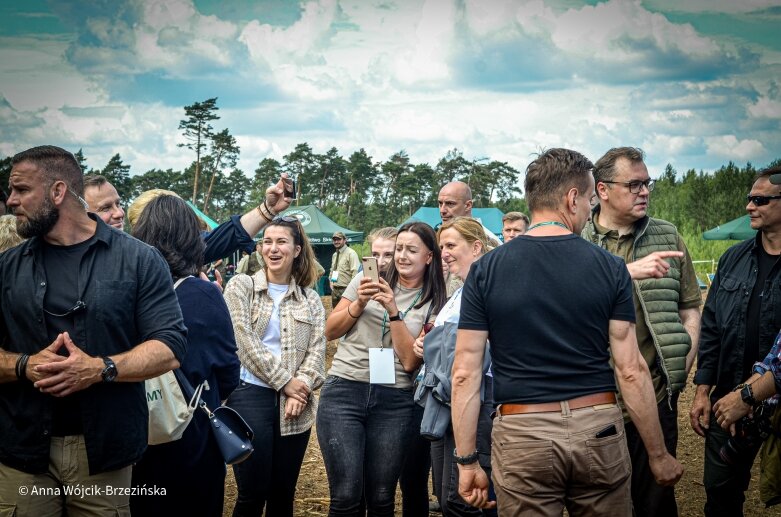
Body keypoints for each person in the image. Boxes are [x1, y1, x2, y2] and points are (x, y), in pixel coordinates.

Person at [451, 148, 682, 514]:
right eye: (591, 199)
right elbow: (631, 369)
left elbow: (465, 373)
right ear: (572, 198)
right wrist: (658, 454)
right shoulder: (610, 268)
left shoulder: (486, 270)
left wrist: (466, 461)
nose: (590, 209)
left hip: (523, 432)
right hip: (598, 428)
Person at [0, 145, 187, 515]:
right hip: (21, 452)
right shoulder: (6, 267)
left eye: (21, 190)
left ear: (57, 192)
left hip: (104, 454)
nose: (10, 201)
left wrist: (99, 369)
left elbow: (171, 346)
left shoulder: (138, 260)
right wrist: (24, 365)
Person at [582, 146, 701, 517]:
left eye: (647, 183)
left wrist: (681, 360)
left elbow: (690, 309)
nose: (644, 191)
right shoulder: (577, 243)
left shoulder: (667, 235)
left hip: (656, 398)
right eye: (634, 184)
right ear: (602, 190)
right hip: (594, 403)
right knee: (601, 504)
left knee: (656, 502)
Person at [319, 222, 447, 516]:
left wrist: (393, 310)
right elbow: (330, 330)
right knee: (346, 494)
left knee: (380, 496)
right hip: (345, 389)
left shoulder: (436, 300)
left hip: (395, 400)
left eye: (411, 250)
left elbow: (411, 362)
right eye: (399, 248)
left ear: (429, 256)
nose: (401, 256)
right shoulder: (366, 279)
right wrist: (358, 303)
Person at [129, 194, 240, 517]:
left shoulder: (127, 289)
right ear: (192, 239)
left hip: (136, 428)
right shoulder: (203, 294)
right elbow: (229, 370)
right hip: (193, 434)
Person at [690, 164, 781, 517]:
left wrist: (752, 394)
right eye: (749, 198)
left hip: (777, 404)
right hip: (727, 402)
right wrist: (702, 389)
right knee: (721, 495)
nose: (748, 206)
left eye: (759, 199)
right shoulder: (733, 259)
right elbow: (711, 327)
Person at [224, 216, 326, 517]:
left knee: (283, 493)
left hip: (296, 402)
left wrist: (301, 387)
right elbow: (242, 341)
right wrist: (286, 382)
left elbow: (318, 350)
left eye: (281, 241)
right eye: (267, 241)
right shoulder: (241, 286)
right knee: (253, 493)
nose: (273, 248)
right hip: (250, 396)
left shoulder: (310, 299)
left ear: (296, 250)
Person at [423, 217, 495, 516]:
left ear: (476, 247)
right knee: (445, 492)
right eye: (442, 247)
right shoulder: (460, 291)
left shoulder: (490, 288)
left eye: (451, 246)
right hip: (447, 397)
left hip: (476, 396)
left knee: (464, 498)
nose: (445, 253)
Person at [85, 176, 293, 264]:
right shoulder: (73, 261)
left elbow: (221, 238)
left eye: (118, 204)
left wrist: (268, 209)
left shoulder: (167, 257)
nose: (118, 213)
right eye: (105, 208)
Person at [329, 230, 360, 306]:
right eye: (334, 240)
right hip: (335, 289)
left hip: (346, 289)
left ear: (345, 240)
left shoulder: (351, 253)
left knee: (346, 314)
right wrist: (331, 282)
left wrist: (351, 290)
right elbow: (334, 270)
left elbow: (355, 272)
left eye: (339, 239)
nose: (336, 241)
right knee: (336, 313)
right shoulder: (335, 255)